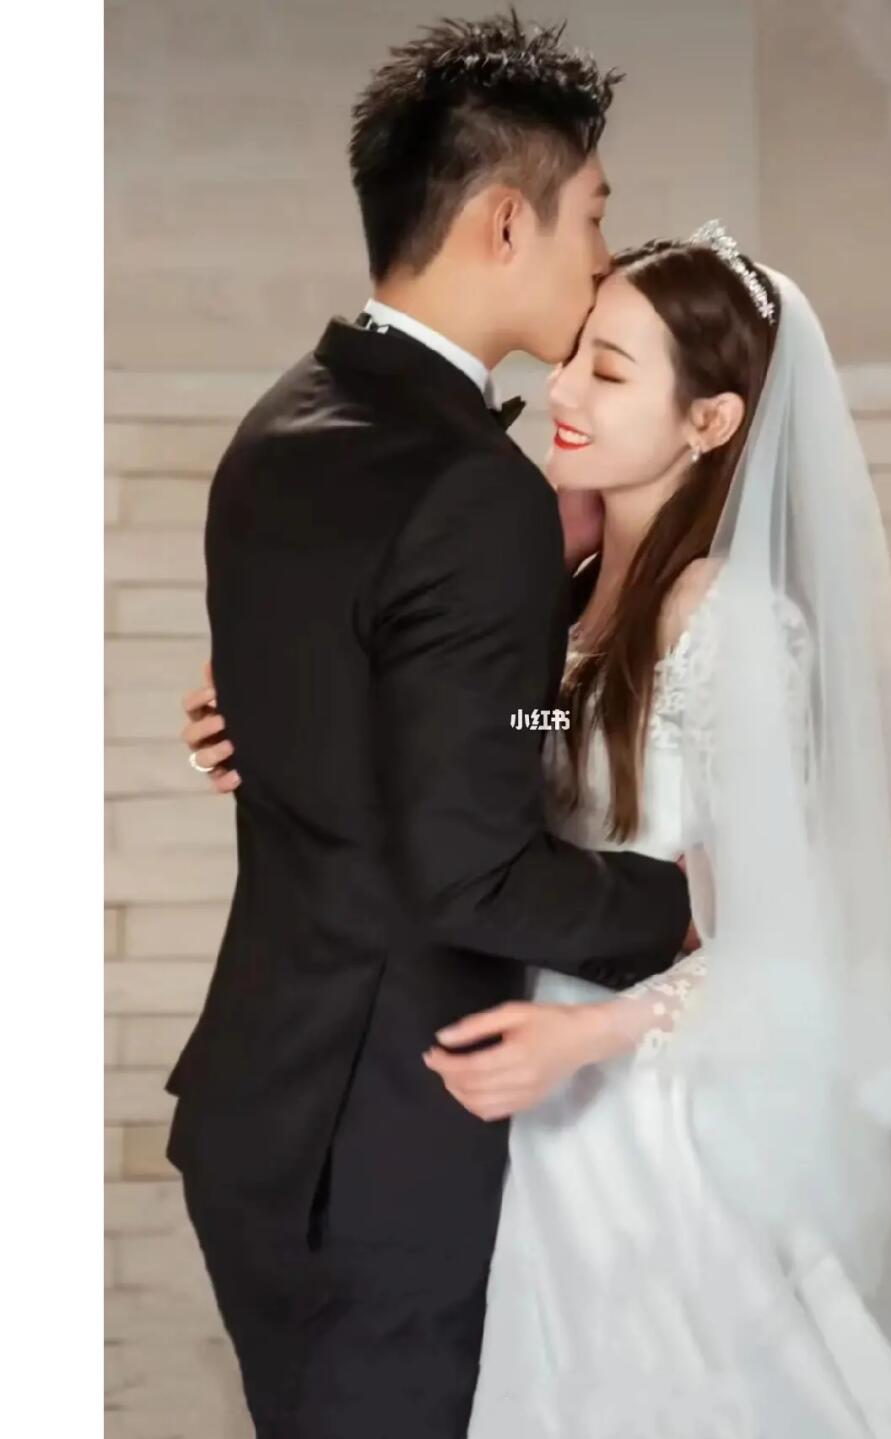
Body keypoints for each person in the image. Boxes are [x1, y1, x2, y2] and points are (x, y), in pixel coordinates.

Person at [187, 225, 891, 1436]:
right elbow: (510, 741)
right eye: (576, 354)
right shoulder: (571, 603)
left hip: (639, 1119)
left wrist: (589, 1032)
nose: (563, 390)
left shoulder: (732, 623)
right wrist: (279, 715)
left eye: (611, 368)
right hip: (513, 1107)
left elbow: (792, 937)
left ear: (709, 422)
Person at [164, 14, 694, 1438]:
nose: (601, 255)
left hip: (266, 1106)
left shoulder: (283, 420)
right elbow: (471, 869)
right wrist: (689, 906)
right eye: (595, 215)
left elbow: (360, 700)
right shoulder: (474, 490)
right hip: (385, 1152)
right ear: (507, 220)